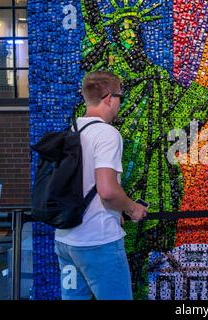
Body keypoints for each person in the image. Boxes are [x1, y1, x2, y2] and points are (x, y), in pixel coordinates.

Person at [54, 71, 148, 300]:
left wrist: (116, 211)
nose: (120, 104)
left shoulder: (72, 130)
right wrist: (132, 208)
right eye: (120, 98)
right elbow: (106, 190)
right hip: (98, 242)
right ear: (108, 98)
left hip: (65, 242)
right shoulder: (107, 134)